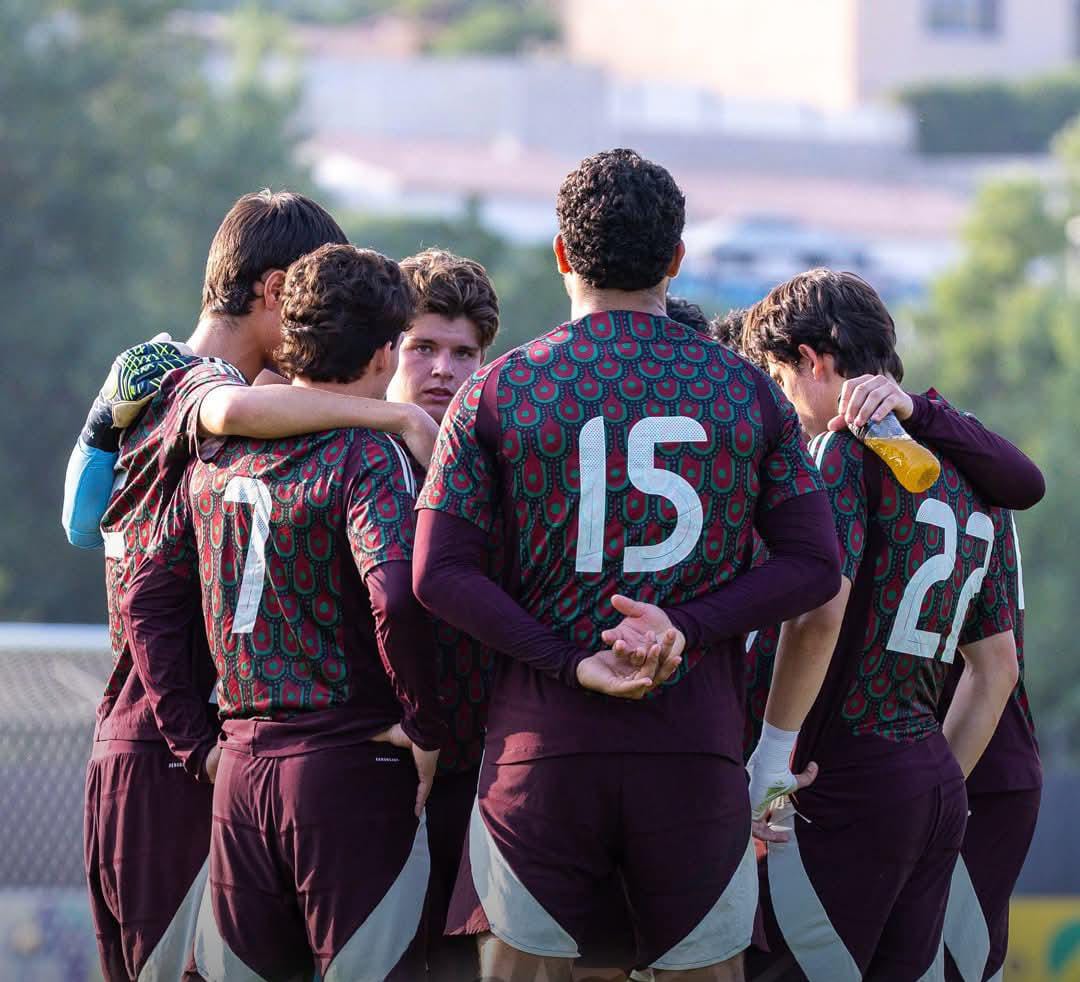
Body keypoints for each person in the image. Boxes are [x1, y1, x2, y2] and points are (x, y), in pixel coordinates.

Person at [412, 148, 841, 981]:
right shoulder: (747, 391)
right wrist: (687, 625)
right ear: (676, 260)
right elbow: (813, 567)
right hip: (694, 749)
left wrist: (570, 661)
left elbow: (437, 575)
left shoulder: (498, 390)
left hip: (540, 749)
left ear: (563, 254)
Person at [79, 189, 438, 982]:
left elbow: (92, 530)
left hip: (183, 744)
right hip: (179, 749)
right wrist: (394, 420)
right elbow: (224, 414)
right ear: (276, 290)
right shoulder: (196, 391)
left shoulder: (155, 381)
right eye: (307, 292)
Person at [734, 269, 1027, 981]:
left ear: (813, 362)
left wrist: (770, 766)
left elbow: (822, 612)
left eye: (775, 374)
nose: (777, 398)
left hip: (841, 782)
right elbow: (997, 670)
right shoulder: (971, 474)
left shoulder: (841, 449)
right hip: (930, 776)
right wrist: (928, 788)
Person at [391, 248, 503, 981]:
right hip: (379, 762)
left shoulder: (510, 457)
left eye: (464, 353)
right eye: (423, 347)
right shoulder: (351, 456)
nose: (444, 370)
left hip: (481, 768)